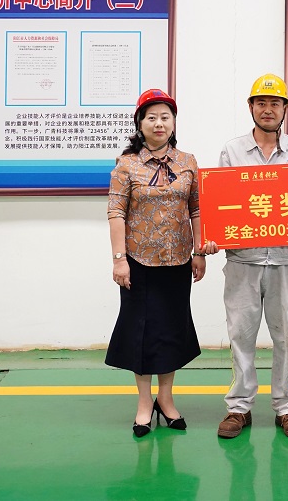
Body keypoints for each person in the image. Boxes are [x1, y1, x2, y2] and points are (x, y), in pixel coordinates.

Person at [216, 73, 288, 441]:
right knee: (240, 335)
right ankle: (239, 407)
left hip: (285, 260)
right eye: (261, 103)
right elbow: (221, 204)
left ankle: (287, 408)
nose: (268, 109)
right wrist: (212, 238)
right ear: (251, 107)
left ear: (285, 109)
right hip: (243, 260)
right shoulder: (232, 151)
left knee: (286, 338)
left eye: (275, 103)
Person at [106, 88, 216, 438]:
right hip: (138, 262)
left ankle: (166, 400)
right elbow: (116, 212)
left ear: (173, 123)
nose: (159, 123)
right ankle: (144, 403)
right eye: (151, 117)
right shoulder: (126, 165)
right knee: (140, 332)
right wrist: (119, 260)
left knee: (171, 330)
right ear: (140, 124)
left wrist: (199, 252)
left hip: (179, 261)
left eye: (165, 117)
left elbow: (197, 208)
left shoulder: (188, 162)